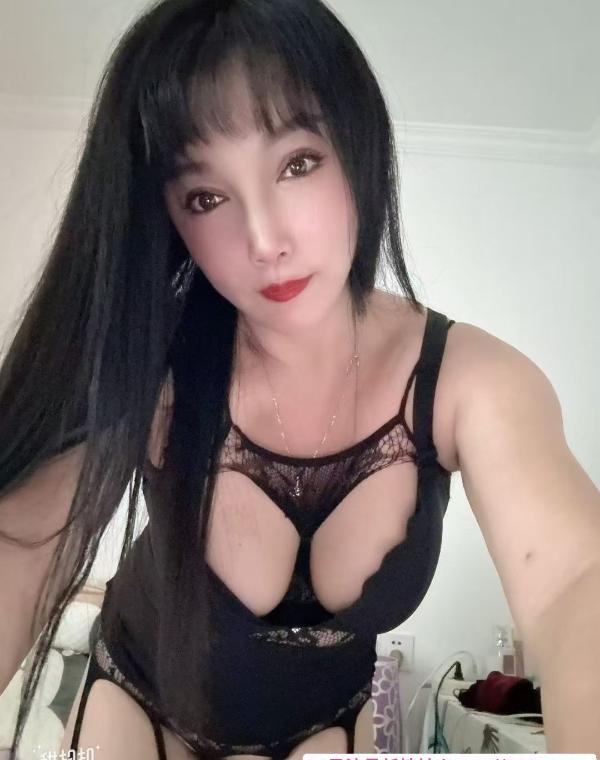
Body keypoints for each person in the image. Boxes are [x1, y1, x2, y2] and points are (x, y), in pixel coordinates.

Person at [1, 0, 599, 758]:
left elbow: (575, 581)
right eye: (206, 198)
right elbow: (21, 544)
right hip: (139, 701)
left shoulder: (468, 382)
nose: (264, 240)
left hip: (328, 727)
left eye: (297, 163)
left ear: (357, 149)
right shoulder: (154, 367)